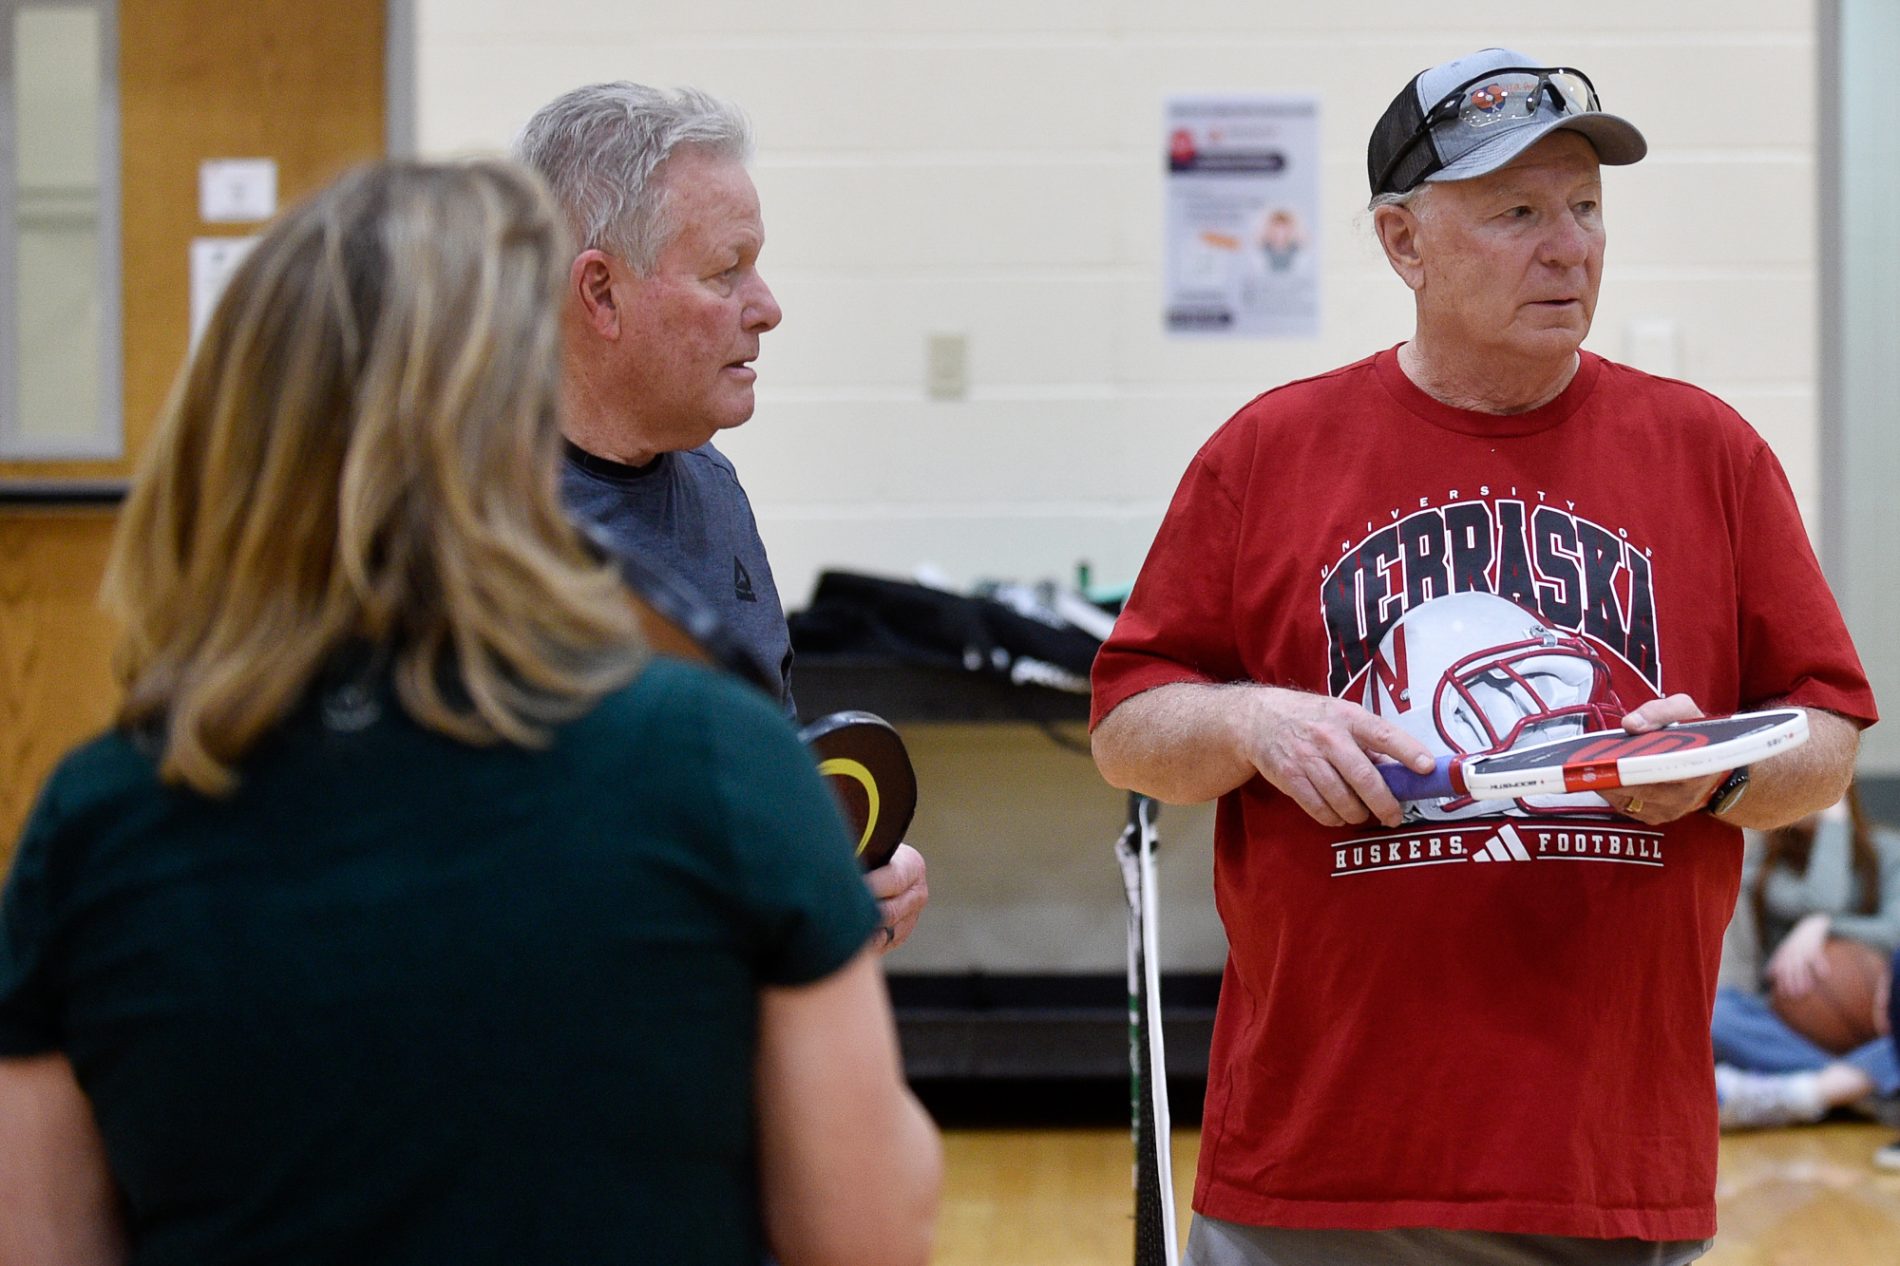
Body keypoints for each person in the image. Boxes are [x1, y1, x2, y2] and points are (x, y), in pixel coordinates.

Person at [0, 159, 940, 1266]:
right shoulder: (716, 764)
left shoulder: (97, 819)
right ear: (501, 411)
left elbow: (40, 1236)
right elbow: (870, 1228)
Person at [1090, 47, 1876, 1266]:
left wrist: (1717, 772)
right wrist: (1252, 723)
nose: (1568, 249)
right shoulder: (1267, 453)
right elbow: (1128, 731)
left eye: (1584, 208)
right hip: (1319, 1168)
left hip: (1609, 1168)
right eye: (1516, 213)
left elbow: (1821, 741)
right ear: (1403, 243)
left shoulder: (1709, 453)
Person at [513, 82, 928, 953]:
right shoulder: (460, 524)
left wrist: (838, 885)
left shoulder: (712, 488)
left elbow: (762, 782)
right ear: (601, 293)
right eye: (725, 270)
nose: (767, 307)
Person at [1712, 785, 1900, 1128]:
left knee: (1893, 1044)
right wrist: (1834, 826)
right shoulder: (1764, 866)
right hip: (1789, 1028)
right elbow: (1822, 899)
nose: (1804, 790)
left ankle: (1801, 1091)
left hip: (1879, 1026)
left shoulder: (1887, 851)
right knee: (1716, 1015)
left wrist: (1824, 926)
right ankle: (1857, 1088)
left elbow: (1893, 930)